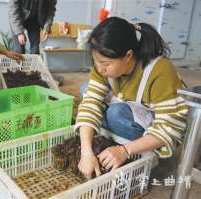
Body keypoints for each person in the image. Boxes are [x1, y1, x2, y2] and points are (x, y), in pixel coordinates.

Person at [75, 17, 188, 179]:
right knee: (86, 89)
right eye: (96, 61)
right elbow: (90, 103)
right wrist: (86, 153)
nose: (99, 68)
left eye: (105, 63)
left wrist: (125, 150)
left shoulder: (160, 71)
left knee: (115, 114)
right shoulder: (103, 67)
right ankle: (115, 135)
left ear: (128, 56)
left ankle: (142, 148)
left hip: (162, 126)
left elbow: (171, 127)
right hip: (131, 110)